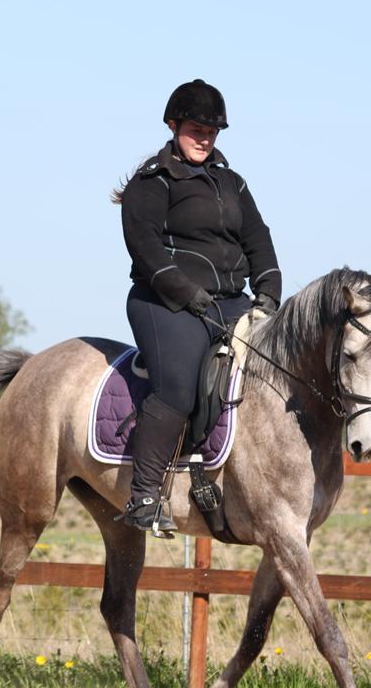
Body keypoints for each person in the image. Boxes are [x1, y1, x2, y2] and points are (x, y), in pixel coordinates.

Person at [115, 79, 282, 533]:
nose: (204, 138)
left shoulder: (232, 182)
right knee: (180, 387)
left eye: (212, 132)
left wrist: (268, 290)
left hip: (229, 303)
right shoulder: (153, 182)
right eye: (196, 129)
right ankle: (145, 494)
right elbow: (145, 249)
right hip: (164, 302)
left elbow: (258, 238)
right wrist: (186, 292)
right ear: (174, 125)